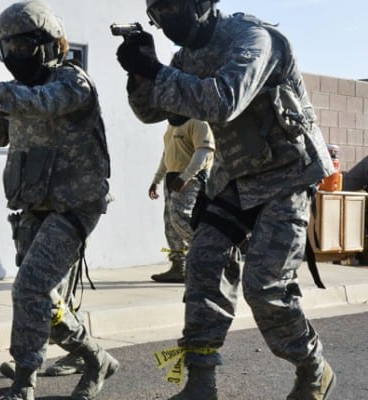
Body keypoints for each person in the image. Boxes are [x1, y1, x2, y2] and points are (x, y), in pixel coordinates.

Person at [116, 0, 337, 399]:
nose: (165, 18)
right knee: (202, 266)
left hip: (287, 174)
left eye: (171, 5)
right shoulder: (186, 57)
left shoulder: (254, 39)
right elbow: (152, 113)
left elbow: (223, 100)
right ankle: (201, 383)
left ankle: (313, 368)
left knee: (265, 287)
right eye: (157, 11)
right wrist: (138, 71)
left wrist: (157, 71)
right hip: (235, 177)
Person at [0, 2, 117, 399]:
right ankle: (95, 356)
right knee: (43, 298)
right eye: (7, 46)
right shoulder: (18, 92)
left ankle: (23, 383)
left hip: (74, 205)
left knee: (29, 288)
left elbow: (36, 103)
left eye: (22, 44)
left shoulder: (71, 82)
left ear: (48, 44)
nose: (14, 54)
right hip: (33, 205)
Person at [148, 117, 214, 283]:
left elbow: (204, 151)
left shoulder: (198, 121)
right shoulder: (172, 124)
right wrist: (156, 180)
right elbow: (166, 154)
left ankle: (209, 253)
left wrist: (185, 177)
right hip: (172, 176)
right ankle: (179, 267)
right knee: (170, 223)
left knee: (180, 218)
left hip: (190, 178)